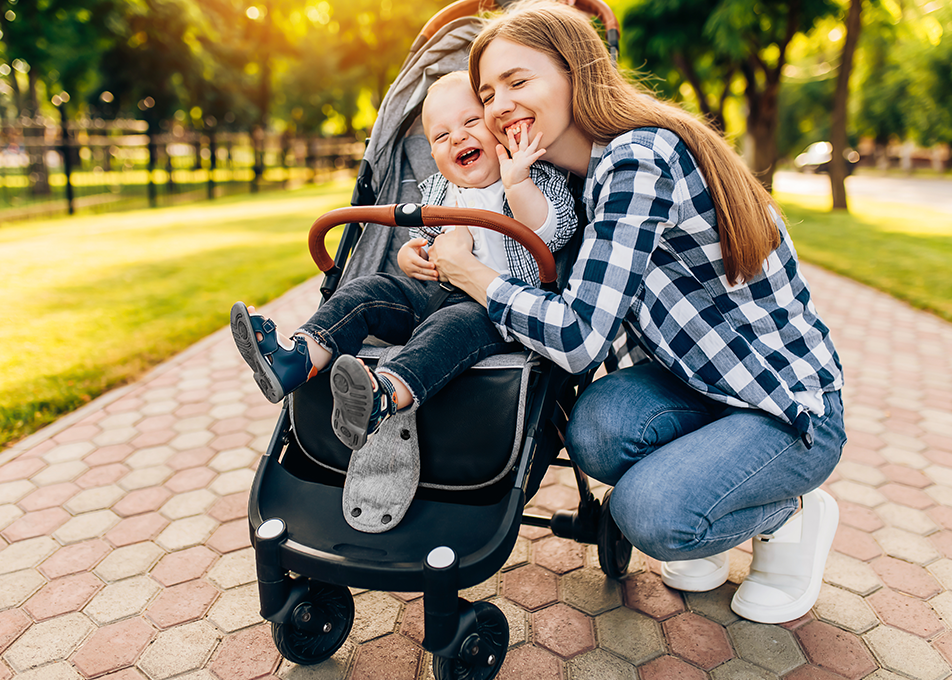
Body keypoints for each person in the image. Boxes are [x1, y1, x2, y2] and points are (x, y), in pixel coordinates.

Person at [427, 1, 846, 624]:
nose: (497, 107)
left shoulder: (637, 158)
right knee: (594, 427)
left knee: (649, 514)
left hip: (783, 404)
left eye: (519, 82)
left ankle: (794, 510)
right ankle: (710, 494)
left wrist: (474, 276)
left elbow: (576, 337)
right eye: (488, 93)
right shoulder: (556, 178)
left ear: (577, 72)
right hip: (697, 384)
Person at [231, 70, 577, 451]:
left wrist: (517, 183)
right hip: (430, 297)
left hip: (494, 313)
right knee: (367, 290)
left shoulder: (532, 175)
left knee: (454, 322)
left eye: (471, 122)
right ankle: (297, 358)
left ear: (500, 126)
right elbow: (421, 243)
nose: (457, 137)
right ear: (433, 156)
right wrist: (408, 255)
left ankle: (385, 394)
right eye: (442, 136)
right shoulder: (439, 192)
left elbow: (552, 232)